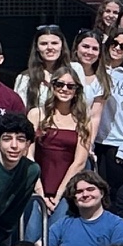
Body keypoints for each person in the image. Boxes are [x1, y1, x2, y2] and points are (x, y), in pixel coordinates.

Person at [27, 67, 94, 234]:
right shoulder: (37, 115)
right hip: (37, 185)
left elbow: (79, 162)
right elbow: (28, 155)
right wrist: (40, 191)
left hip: (66, 190)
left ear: (77, 90)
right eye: (60, 84)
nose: (65, 89)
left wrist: (58, 196)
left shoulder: (83, 121)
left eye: (70, 86)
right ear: (52, 86)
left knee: (53, 238)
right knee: (30, 238)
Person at [0, 114, 41, 246]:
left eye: (20, 140)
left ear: (27, 144)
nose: (14, 145)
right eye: (7, 139)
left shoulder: (31, 170)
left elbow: (12, 215)